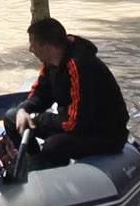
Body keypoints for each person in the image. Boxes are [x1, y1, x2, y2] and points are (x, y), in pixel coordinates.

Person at [11, 16, 129, 165]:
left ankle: (47, 173)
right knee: (12, 117)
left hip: (102, 133)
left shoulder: (79, 65)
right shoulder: (51, 61)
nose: (30, 49)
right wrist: (23, 110)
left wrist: (40, 120)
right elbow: (41, 93)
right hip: (76, 125)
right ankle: (30, 163)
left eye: (33, 44)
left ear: (47, 47)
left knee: (53, 146)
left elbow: (76, 122)